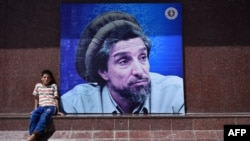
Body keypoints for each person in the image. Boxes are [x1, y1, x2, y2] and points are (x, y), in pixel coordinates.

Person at [60, 12, 185, 114]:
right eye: (124, 61)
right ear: (103, 72)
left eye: (142, 57)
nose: (139, 71)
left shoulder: (175, 93)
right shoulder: (76, 104)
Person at [27, 70, 63, 141]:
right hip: (41, 107)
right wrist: (35, 109)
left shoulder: (53, 86)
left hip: (51, 106)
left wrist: (58, 111)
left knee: (45, 116)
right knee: (33, 115)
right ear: (41, 78)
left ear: (51, 79)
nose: (46, 79)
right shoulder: (38, 86)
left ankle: (34, 135)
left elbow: (56, 99)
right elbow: (36, 98)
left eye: (48, 77)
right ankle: (34, 135)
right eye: (44, 77)